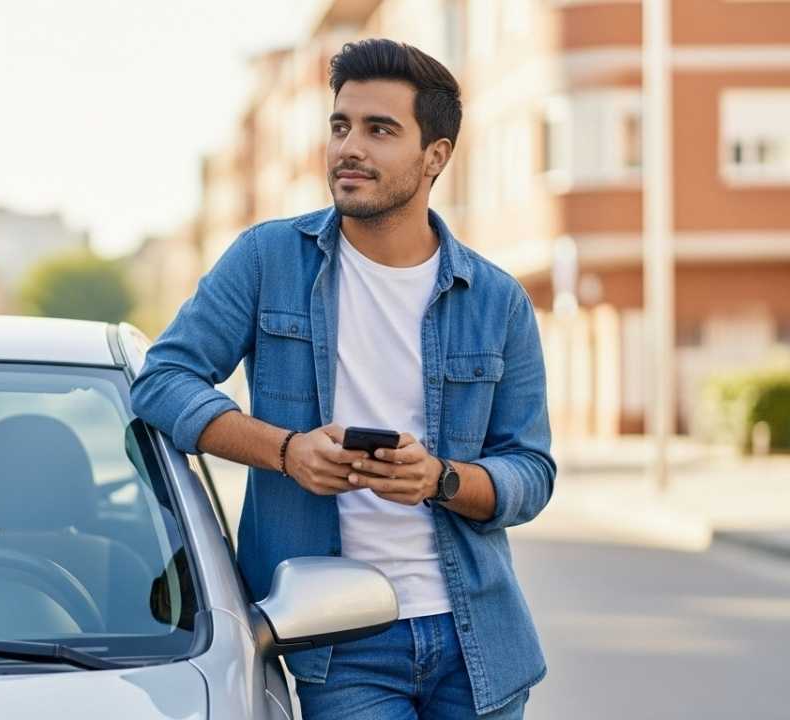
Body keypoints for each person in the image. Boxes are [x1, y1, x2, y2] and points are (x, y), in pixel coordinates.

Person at [130, 38, 555, 719]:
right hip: (339, 637)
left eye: (379, 130)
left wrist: (440, 479)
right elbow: (163, 379)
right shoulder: (269, 259)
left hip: (477, 641)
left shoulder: (496, 299)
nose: (348, 147)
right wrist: (288, 452)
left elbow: (530, 471)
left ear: (435, 156)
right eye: (340, 126)